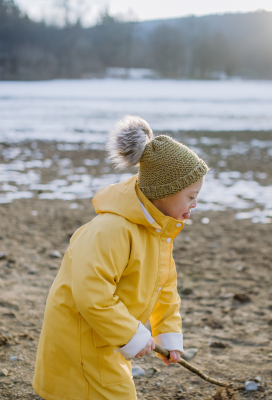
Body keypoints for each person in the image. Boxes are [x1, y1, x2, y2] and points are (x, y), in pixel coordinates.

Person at [33, 115, 209, 400]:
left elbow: (165, 289)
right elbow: (92, 293)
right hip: (81, 337)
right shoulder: (112, 230)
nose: (195, 204)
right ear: (164, 192)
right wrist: (130, 334)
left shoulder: (158, 233)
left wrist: (167, 335)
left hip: (107, 334)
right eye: (191, 196)